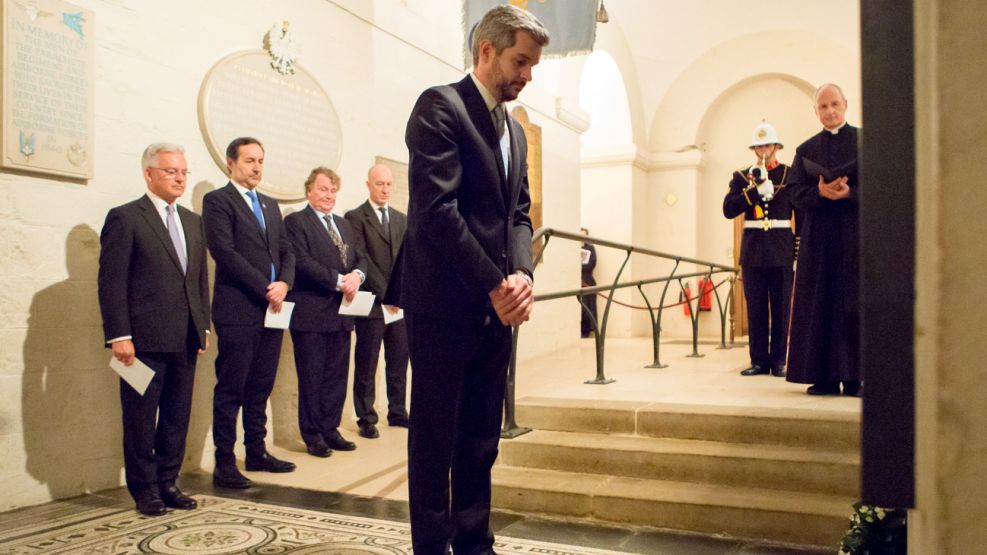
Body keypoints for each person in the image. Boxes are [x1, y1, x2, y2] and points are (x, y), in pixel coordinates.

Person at [385, 5, 548, 553]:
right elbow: (437, 212)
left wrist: (522, 271)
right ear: (486, 52)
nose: (528, 75)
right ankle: (431, 546)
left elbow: (519, 214)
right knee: (434, 441)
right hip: (444, 304)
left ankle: (475, 541)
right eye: (520, 61)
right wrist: (495, 285)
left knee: (480, 438)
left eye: (532, 65)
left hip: (494, 306)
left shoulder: (515, 132)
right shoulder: (440, 107)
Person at [97, 142, 210, 516]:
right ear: (149, 174)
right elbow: (112, 281)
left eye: (183, 171)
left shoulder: (192, 221)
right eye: (170, 171)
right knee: (141, 418)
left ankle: (168, 482)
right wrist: (119, 335)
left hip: (185, 337)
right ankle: (144, 489)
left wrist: (202, 325)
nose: (179, 178)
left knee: (177, 417)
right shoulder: (126, 217)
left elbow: (198, 279)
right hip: (141, 341)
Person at [202, 137, 297, 488]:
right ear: (231, 163)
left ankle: (256, 451)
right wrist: (265, 287)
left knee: (261, 386)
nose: (257, 167)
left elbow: (287, 251)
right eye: (249, 161)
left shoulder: (271, 206)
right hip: (239, 309)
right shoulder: (217, 201)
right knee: (232, 387)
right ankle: (224, 462)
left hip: (274, 309)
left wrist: (284, 283)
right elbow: (224, 252)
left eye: (261, 160)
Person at [785, 83, 862, 396]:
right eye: (823, 107)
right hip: (819, 242)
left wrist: (851, 193)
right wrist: (818, 192)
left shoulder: (865, 141)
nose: (829, 111)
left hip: (855, 236)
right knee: (821, 303)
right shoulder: (805, 149)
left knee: (854, 302)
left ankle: (856, 377)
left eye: (834, 104)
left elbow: (887, 186)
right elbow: (792, 191)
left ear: (845, 104)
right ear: (815, 112)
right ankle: (825, 376)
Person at [284, 167, 367, 458]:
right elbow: (302, 262)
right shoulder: (296, 222)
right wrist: (339, 280)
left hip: (342, 313)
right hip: (311, 313)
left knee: (336, 376)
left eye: (333, 190)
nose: (328, 195)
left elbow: (360, 258)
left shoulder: (344, 225)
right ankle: (313, 434)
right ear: (309, 192)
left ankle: (331, 430)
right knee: (312, 377)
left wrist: (357, 274)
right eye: (323, 189)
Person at [722, 121, 795, 378]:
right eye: (759, 146)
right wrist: (752, 194)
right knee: (756, 308)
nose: (764, 150)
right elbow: (728, 209)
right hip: (753, 251)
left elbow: (801, 212)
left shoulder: (789, 173)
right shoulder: (742, 177)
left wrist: (796, 253)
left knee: (781, 307)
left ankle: (779, 361)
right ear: (754, 149)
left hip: (782, 249)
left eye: (768, 145)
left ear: (776, 146)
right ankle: (759, 360)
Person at [345, 164, 410, 440]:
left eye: (388, 184)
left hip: (399, 306)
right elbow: (362, 260)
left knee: (398, 361)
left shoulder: (401, 219)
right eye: (379, 184)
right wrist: (388, 294)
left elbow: (406, 259)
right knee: (367, 363)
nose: (385, 189)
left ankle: (397, 411)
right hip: (373, 303)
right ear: (368, 185)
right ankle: (366, 416)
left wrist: (401, 294)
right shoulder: (355, 217)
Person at [579, 228, 598, 338]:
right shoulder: (572, 248)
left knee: (588, 308)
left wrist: (579, 266)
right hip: (577, 281)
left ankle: (587, 331)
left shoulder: (590, 248)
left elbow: (591, 264)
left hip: (588, 281)